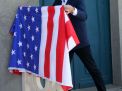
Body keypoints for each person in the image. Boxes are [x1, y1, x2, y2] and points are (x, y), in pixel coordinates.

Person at [53, 0, 106, 91]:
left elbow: (84, 16)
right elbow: (50, 13)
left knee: (92, 68)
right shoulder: (57, 1)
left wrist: (73, 10)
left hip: (79, 41)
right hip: (65, 42)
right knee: (64, 72)